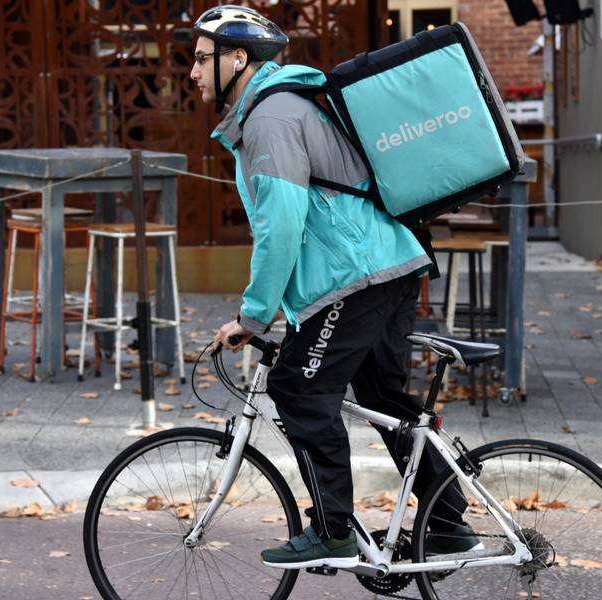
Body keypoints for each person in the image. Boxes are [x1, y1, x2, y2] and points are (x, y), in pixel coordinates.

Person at [192, 5, 478, 570]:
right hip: (387, 268)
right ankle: (447, 523)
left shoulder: (271, 120)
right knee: (381, 397)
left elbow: (282, 227)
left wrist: (253, 318)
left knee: (299, 390)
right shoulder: (281, 108)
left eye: (203, 60)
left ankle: (332, 532)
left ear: (239, 59)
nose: (194, 73)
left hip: (356, 277)